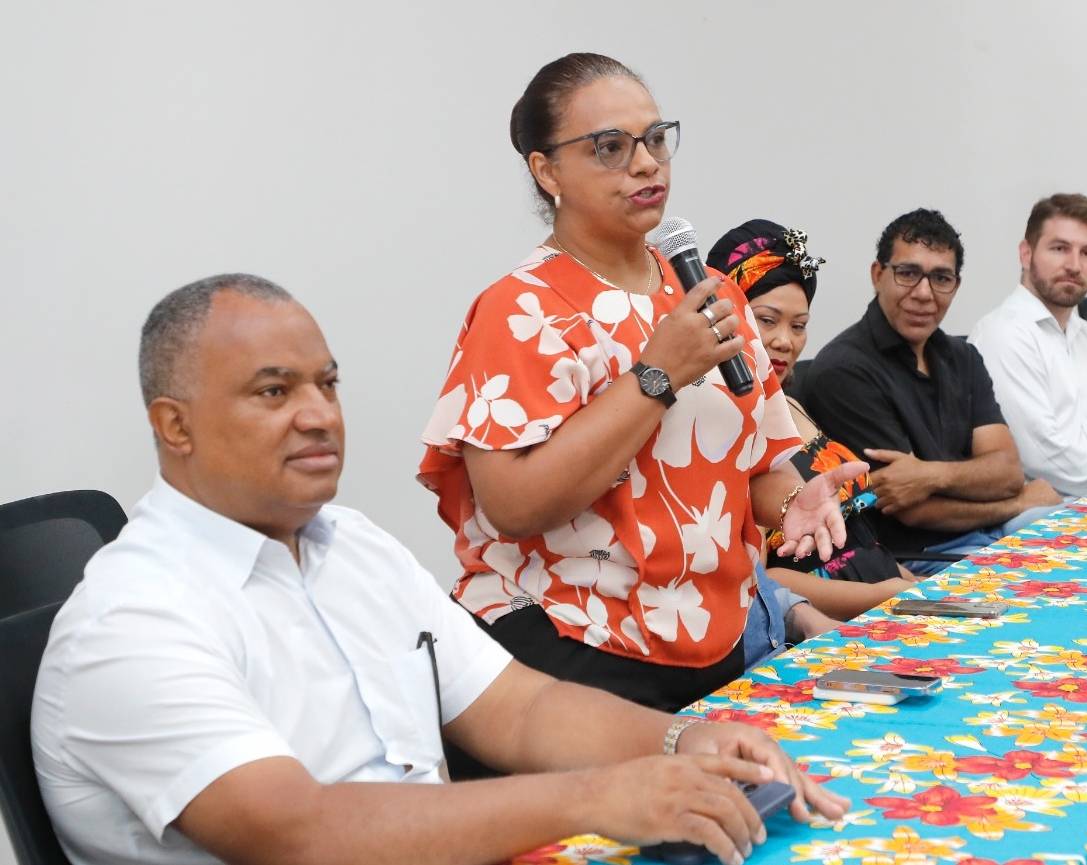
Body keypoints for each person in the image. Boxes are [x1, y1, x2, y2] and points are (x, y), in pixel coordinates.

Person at [32, 274, 847, 865]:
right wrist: (603, 795)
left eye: (327, 383)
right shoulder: (133, 618)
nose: (319, 414)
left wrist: (682, 738)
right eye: (273, 391)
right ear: (174, 426)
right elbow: (298, 833)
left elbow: (521, 710)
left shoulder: (348, 544)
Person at [417, 53, 860, 712]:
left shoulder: (713, 298)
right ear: (546, 171)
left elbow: (755, 463)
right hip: (569, 645)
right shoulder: (520, 311)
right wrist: (656, 375)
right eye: (609, 147)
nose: (647, 162)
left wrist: (793, 500)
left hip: (713, 639)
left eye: (655, 139)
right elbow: (511, 505)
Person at [802, 208, 1060, 576]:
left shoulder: (963, 355)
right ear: (878, 275)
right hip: (919, 557)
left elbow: (1006, 471)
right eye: (908, 274)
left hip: (991, 532)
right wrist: (1016, 502)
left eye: (941, 278)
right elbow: (912, 509)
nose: (924, 293)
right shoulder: (844, 370)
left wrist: (929, 476)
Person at [707, 219, 917, 619]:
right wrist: (888, 596)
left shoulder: (791, 403)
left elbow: (861, 542)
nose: (786, 340)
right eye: (767, 320)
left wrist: (917, 588)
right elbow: (765, 580)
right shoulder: (716, 426)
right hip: (834, 623)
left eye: (799, 326)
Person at [969, 193, 1087, 497]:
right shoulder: (1004, 335)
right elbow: (1042, 457)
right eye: (1060, 249)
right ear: (1026, 254)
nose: (1075, 265)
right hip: (1044, 514)